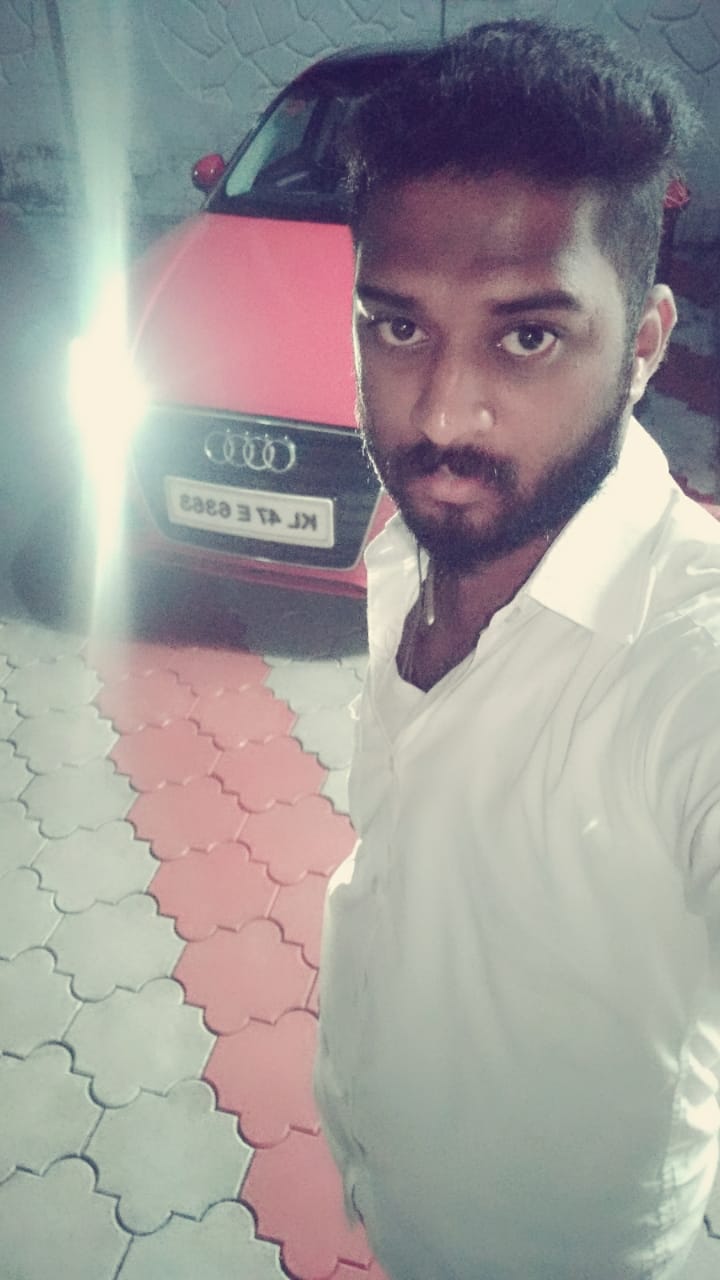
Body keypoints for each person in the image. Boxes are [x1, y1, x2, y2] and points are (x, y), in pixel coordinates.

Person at [313, 19, 720, 1280]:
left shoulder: (689, 654)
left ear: (642, 344)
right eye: (398, 327)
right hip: (396, 1195)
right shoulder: (415, 540)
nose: (442, 413)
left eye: (527, 335)